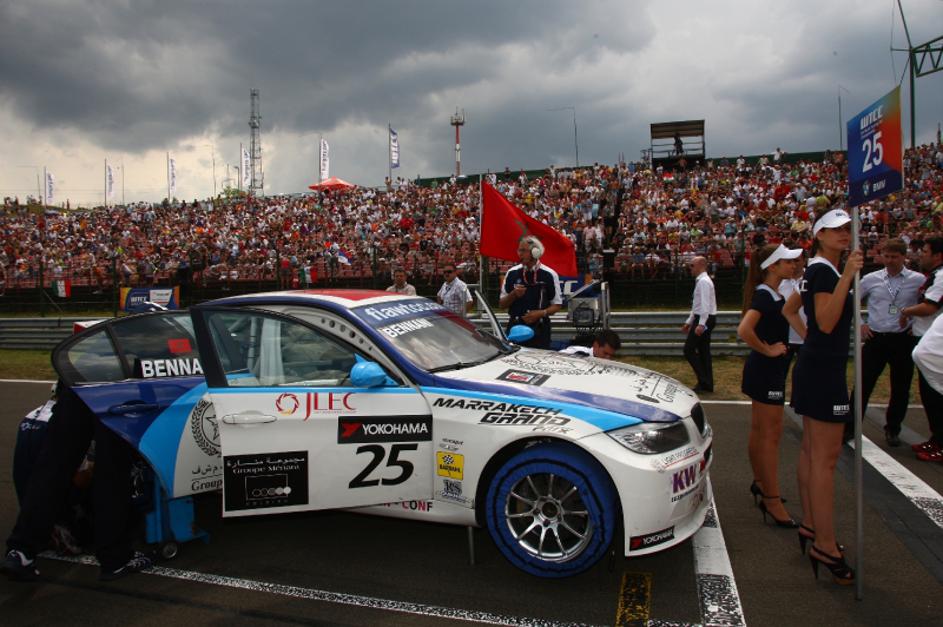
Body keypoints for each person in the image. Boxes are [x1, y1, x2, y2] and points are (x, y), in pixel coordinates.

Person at [783, 208, 862, 586]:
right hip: (824, 370)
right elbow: (827, 322)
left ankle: (813, 527)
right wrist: (847, 276)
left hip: (817, 364)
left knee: (813, 453)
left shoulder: (818, 269)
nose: (844, 234)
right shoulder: (825, 271)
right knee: (824, 461)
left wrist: (810, 340)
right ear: (819, 235)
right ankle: (825, 545)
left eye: (847, 228)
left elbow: (793, 311)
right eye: (835, 230)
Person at [3, 383, 152, 582]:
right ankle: (115, 558)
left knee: (53, 467)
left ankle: (21, 549)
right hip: (117, 388)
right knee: (112, 471)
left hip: (77, 383)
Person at [737, 243, 802, 528]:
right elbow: (744, 329)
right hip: (767, 370)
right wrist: (767, 349)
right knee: (770, 435)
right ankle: (772, 499)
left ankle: (762, 484)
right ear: (773, 266)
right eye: (788, 261)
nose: (794, 265)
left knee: (761, 431)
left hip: (766, 370)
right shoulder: (765, 295)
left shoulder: (771, 293)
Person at [855, 239, 924, 446]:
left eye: (894, 257)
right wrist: (860, 323)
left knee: (901, 387)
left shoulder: (917, 280)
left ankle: (893, 429)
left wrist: (916, 324)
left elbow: (927, 305)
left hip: (902, 339)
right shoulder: (871, 278)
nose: (890, 260)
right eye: (886, 256)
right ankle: (851, 426)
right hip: (876, 337)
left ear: (904, 257)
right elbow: (852, 300)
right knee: (863, 383)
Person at [899, 237, 943, 461]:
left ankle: (941, 443)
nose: (921, 255)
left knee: (935, 395)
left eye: (925, 251)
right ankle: (936, 438)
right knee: (928, 395)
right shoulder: (934, 275)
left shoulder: (941, 275)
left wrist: (906, 311)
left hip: (934, 345)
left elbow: (930, 307)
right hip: (924, 337)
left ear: (937, 255)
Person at [498, 236, 563, 349]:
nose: (520, 254)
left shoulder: (549, 274)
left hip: (540, 329)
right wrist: (513, 294)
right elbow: (501, 305)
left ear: (535, 252)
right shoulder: (512, 273)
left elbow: (557, 305)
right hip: (515, 327)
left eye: (523, 250)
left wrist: (540, 313)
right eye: (519, 250)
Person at [681, 256, 717, 392]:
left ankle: (704, 381)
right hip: (704, 317)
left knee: (689, 349)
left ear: (701, 265)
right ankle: (707, 384)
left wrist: (701, 324)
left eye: (692, 265)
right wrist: (689, 321)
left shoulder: (703, 282)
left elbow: (704, 305)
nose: (690, 268)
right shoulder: (702, 281)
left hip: (704, 318)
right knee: (703, 351)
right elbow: (697, 305)